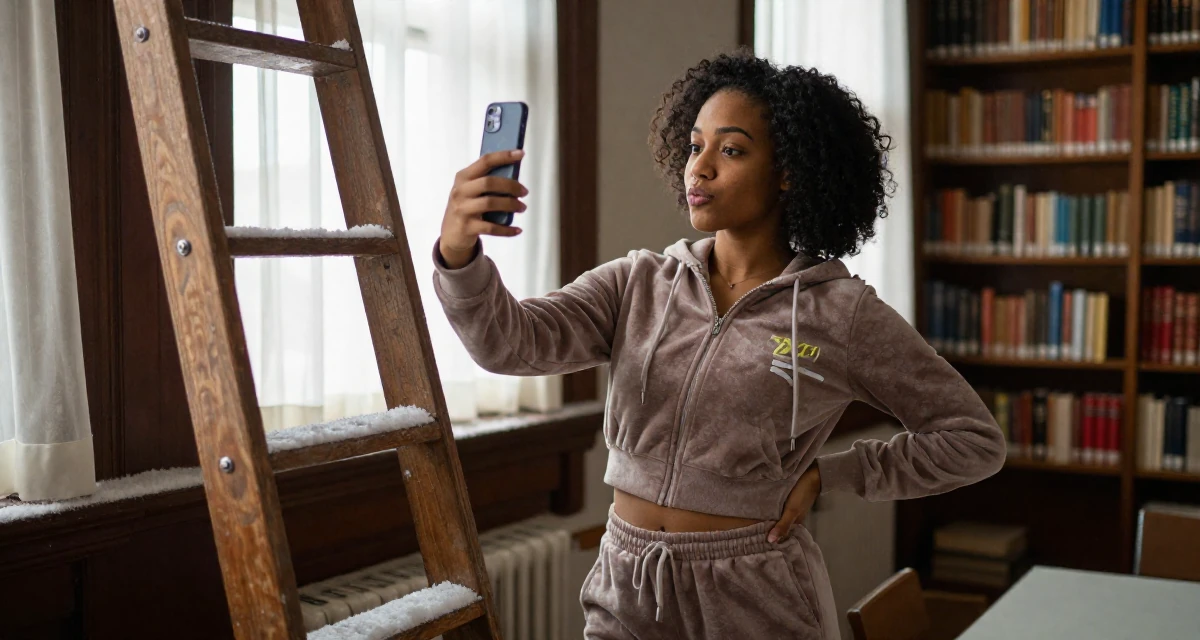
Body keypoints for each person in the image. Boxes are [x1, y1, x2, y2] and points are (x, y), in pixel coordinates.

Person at [431, 50, 1005, 640]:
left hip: (755, 595)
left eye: (729, 150)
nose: (698, 169)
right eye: (694, 146)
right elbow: (509, 345)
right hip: (628, 586)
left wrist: (831, 474)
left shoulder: (842, 313)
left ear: (787, 170)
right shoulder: (638, 283)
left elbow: (972, 441)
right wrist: (459, 256)